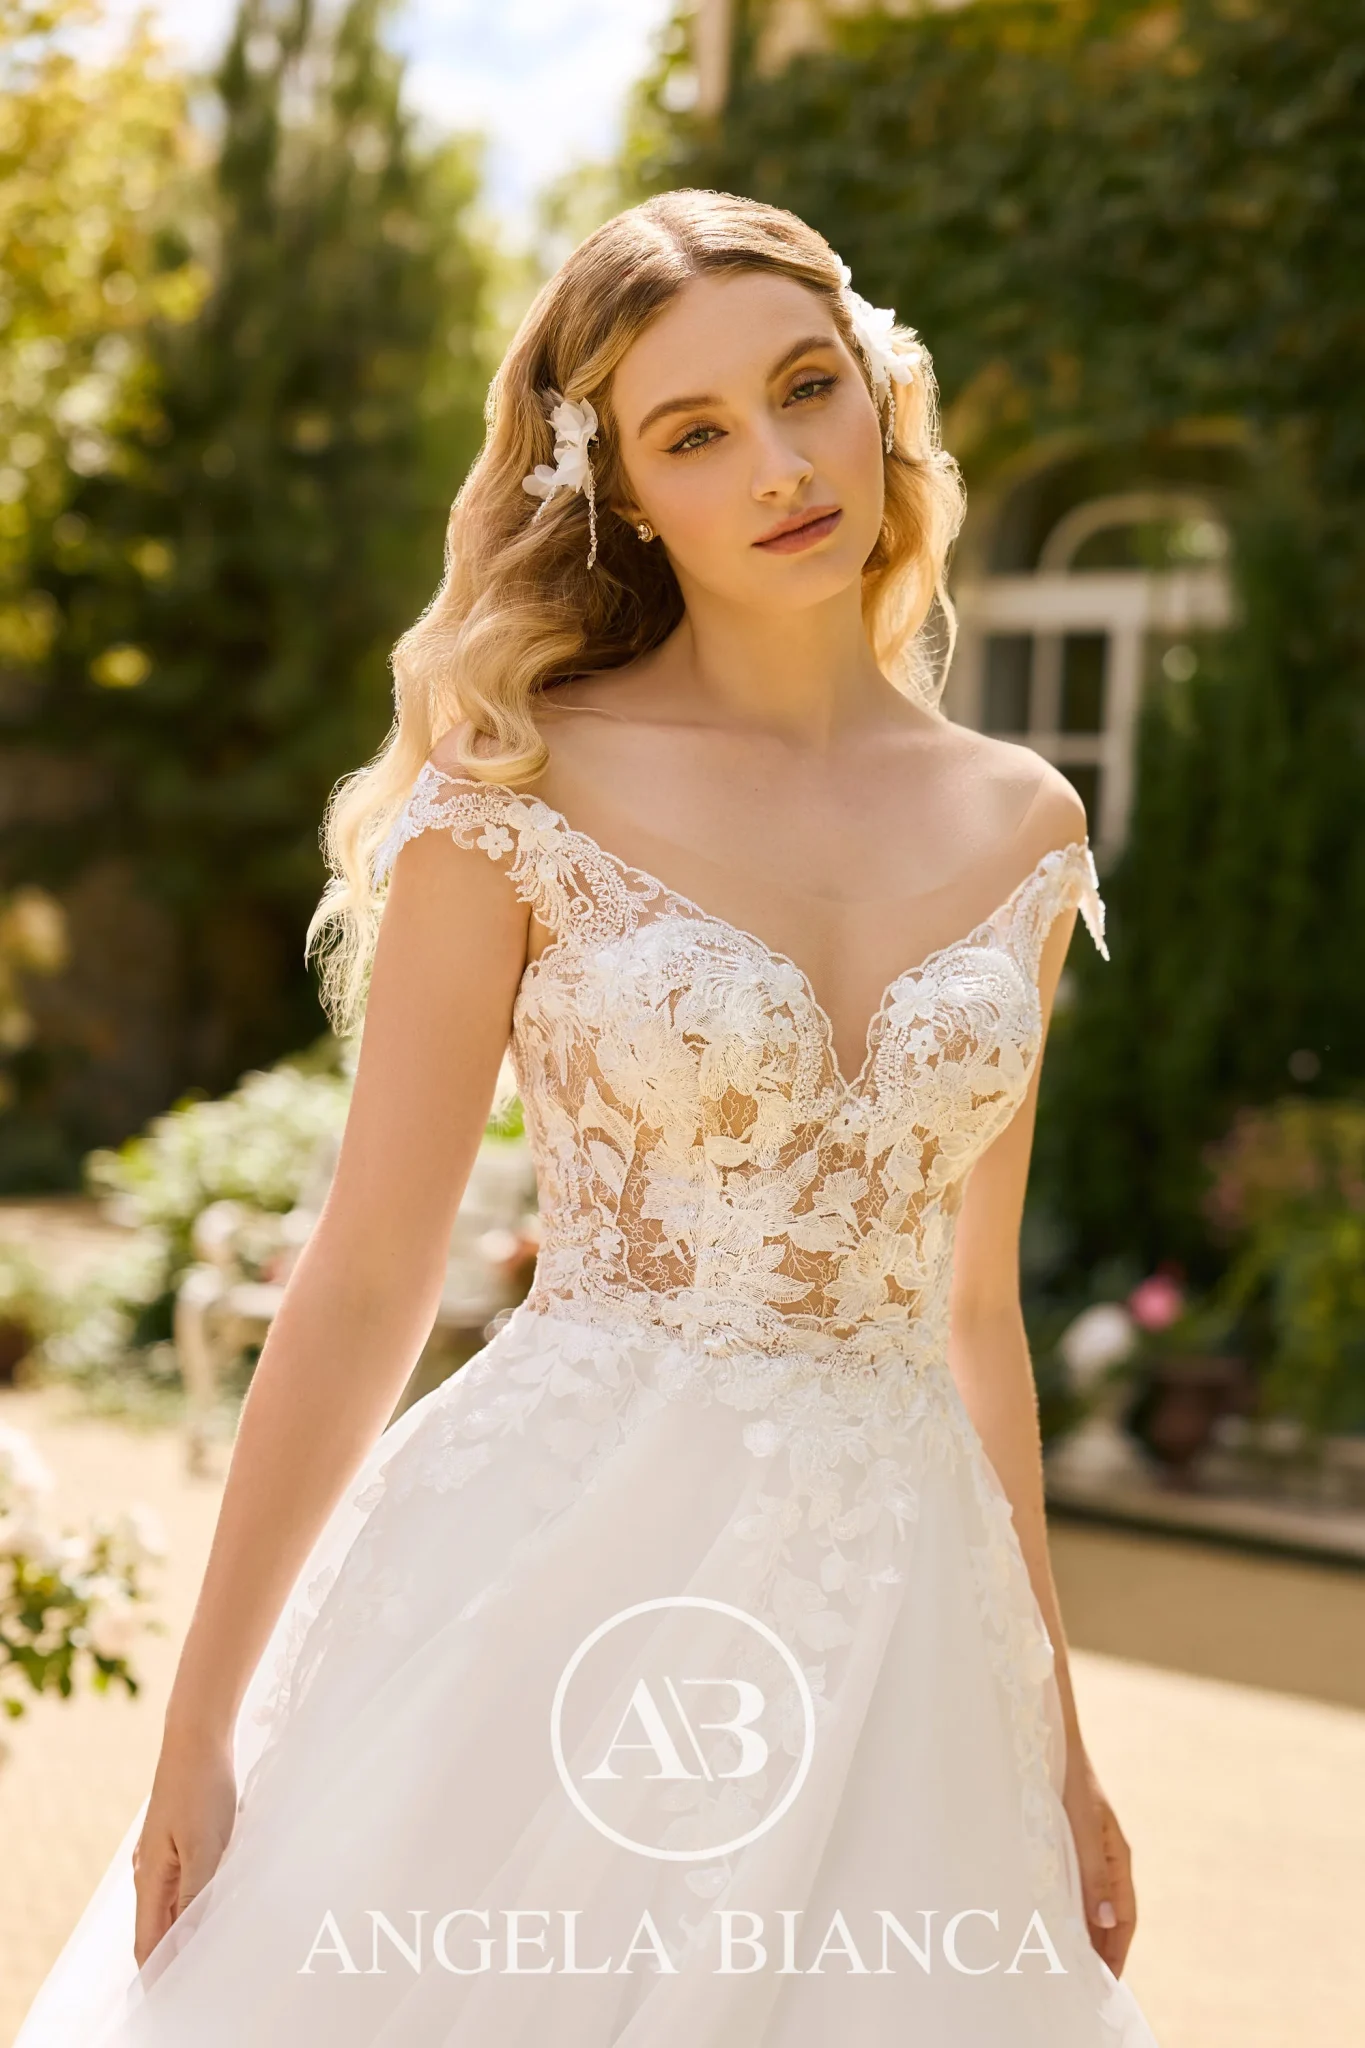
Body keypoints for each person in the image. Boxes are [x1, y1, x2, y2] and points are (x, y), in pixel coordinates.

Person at [15, 189, 1160, 2046]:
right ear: (623, 490)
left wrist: (1066, 1747)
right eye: (696, 433)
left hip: (906, 1623)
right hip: (555, 1565)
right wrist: (199, 1726)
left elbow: (972, 1315)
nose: (782, 464)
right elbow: (370, 1271)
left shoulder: (1025, 824)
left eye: (810, 389)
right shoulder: (519, 785)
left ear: (883, 397)